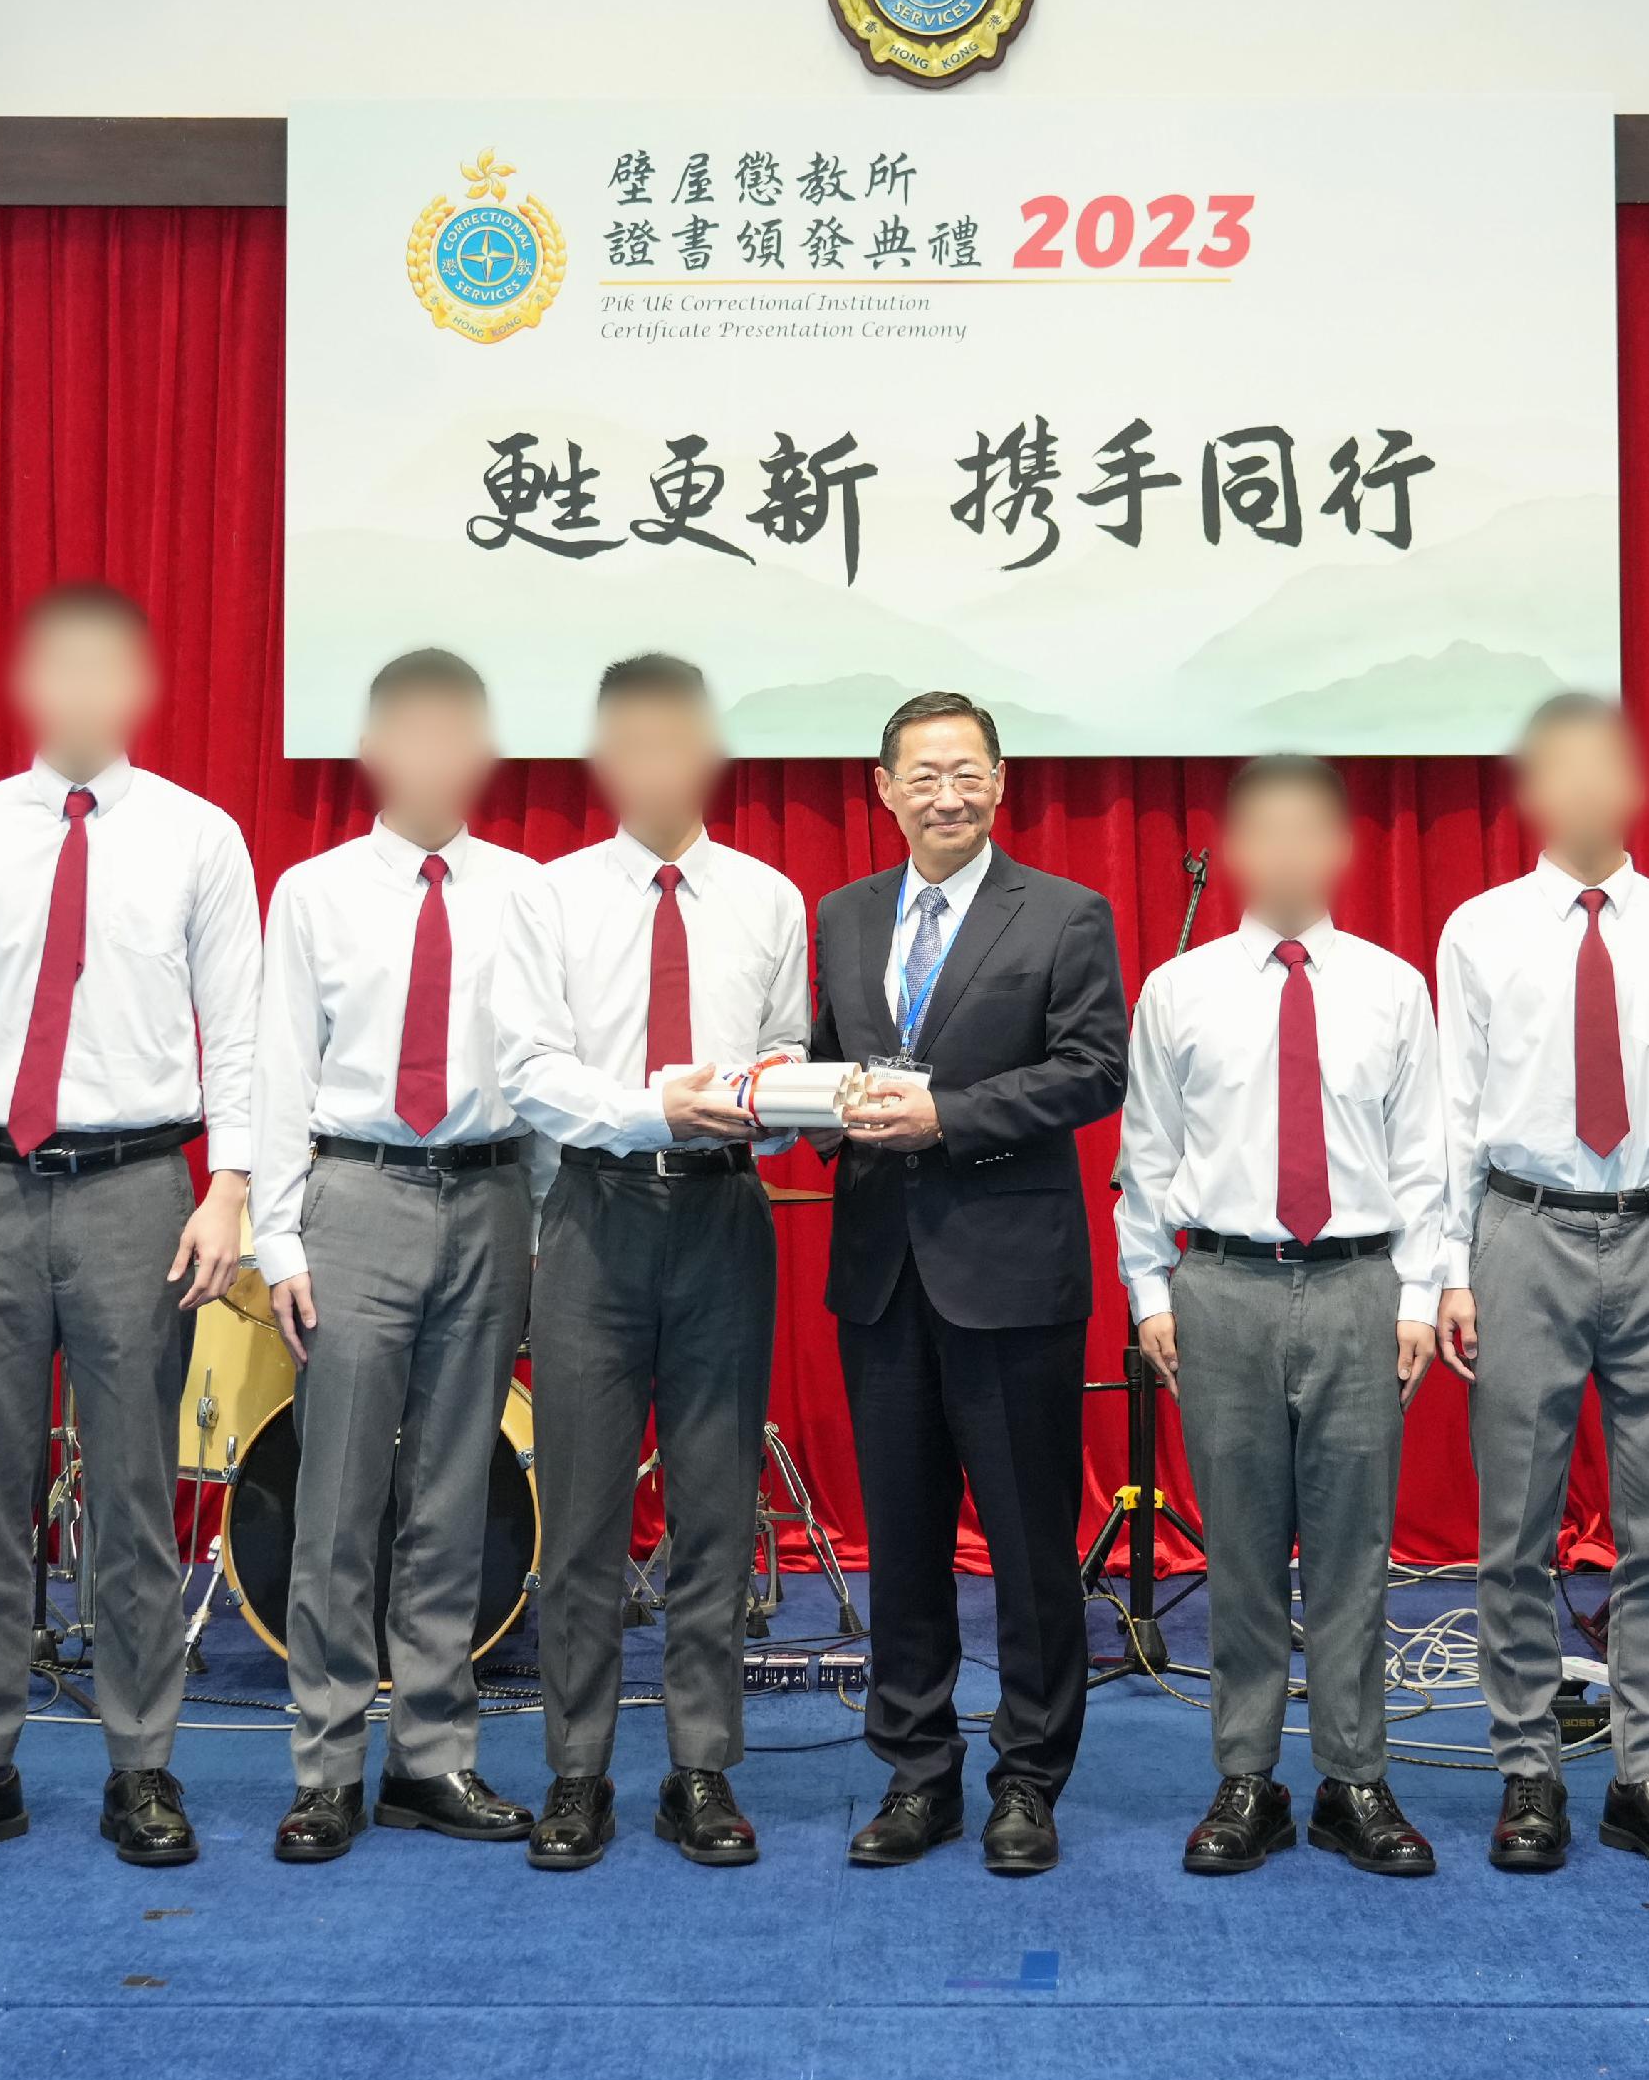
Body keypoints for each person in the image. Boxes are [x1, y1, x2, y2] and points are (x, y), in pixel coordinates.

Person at [0, 582, 258, 1872]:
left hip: (138, 1191)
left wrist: (233, 1184)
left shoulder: (199, 838)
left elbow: (240, 1025)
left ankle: (141, 1765)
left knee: (137, 1496)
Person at [492, 654, 810, 1872]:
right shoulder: (550, 896)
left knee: (715, 1508)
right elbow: (528, 1070)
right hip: (593, 1217)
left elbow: (784, 1057)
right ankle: (577, 1772)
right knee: (578, 1514)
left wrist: (768, 1103)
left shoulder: (769, 897)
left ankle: (701, 1769)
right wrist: (654, 1108)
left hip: (727, 1218)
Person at [807, 689, 1129, 1876]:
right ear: (882, 790)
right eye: (922, 774)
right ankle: (916, 1773)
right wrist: (806, 1107)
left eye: (968, 772)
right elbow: (830, 1062)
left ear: (1002, 784)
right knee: (900, 1539)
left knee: (1031, 1545)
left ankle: (1029, 1781)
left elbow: (1096, 1072)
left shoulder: (1063, 914)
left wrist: (948, 1116)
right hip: (880, 1274)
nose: (947, 793)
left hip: (1011, 1277)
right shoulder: (841, 916)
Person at [1432, 693, 1649, 1879]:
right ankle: (1527, 1770)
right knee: (1514, 1530)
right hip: (1522, 1234)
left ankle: (1644, 1773)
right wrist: (1452, 1272)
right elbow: (1451, 1115)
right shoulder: (1478, 929)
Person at [1112, 754, 1447, 1879]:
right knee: (1243, 1550)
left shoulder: (1393, 987)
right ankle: (1245, 1777)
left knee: (1353, 1549)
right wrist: (1151, 1293)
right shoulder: (1180, 988)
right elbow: (1144, 1155)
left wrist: (1412, 1293)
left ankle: (1356, 1780)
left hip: (1358, 1288)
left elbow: (1424, 1161)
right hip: (1222, 1290)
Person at [254, 649, 541, 1862]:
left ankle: (433, 1757)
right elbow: (278, 1069)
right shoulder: (314, 890)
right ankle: (326, 1764)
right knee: (336, 1503)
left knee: (451, 1496)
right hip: (356, 1195)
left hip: (489, 1198)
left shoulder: (532, 892)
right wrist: (278, 1235)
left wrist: (545, 1229)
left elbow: (544, 1074)